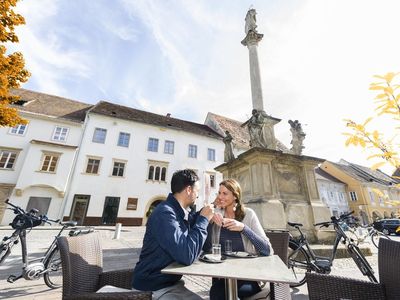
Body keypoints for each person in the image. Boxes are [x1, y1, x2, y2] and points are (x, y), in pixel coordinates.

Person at [132, 169, 215, 299]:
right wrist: (203, 219)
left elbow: (202, 242)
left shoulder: (178, 212)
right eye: (197, 192)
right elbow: (187, 255)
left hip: (170, 284)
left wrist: (205, 215)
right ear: (189, 190)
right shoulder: (165, 214)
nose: (197, 196)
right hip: (153, 289)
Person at [204, 179, 274, 300]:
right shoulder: (217, 214)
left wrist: (244, 228)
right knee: (218, 290)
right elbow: (206, 248)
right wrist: (210, 223)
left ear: (235, 196)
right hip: (222, 275)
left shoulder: (249, 215)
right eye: (219, 193)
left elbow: (267, 250)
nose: (220, 197)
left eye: (225, 193)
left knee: (218, 292)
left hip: (248, 277)